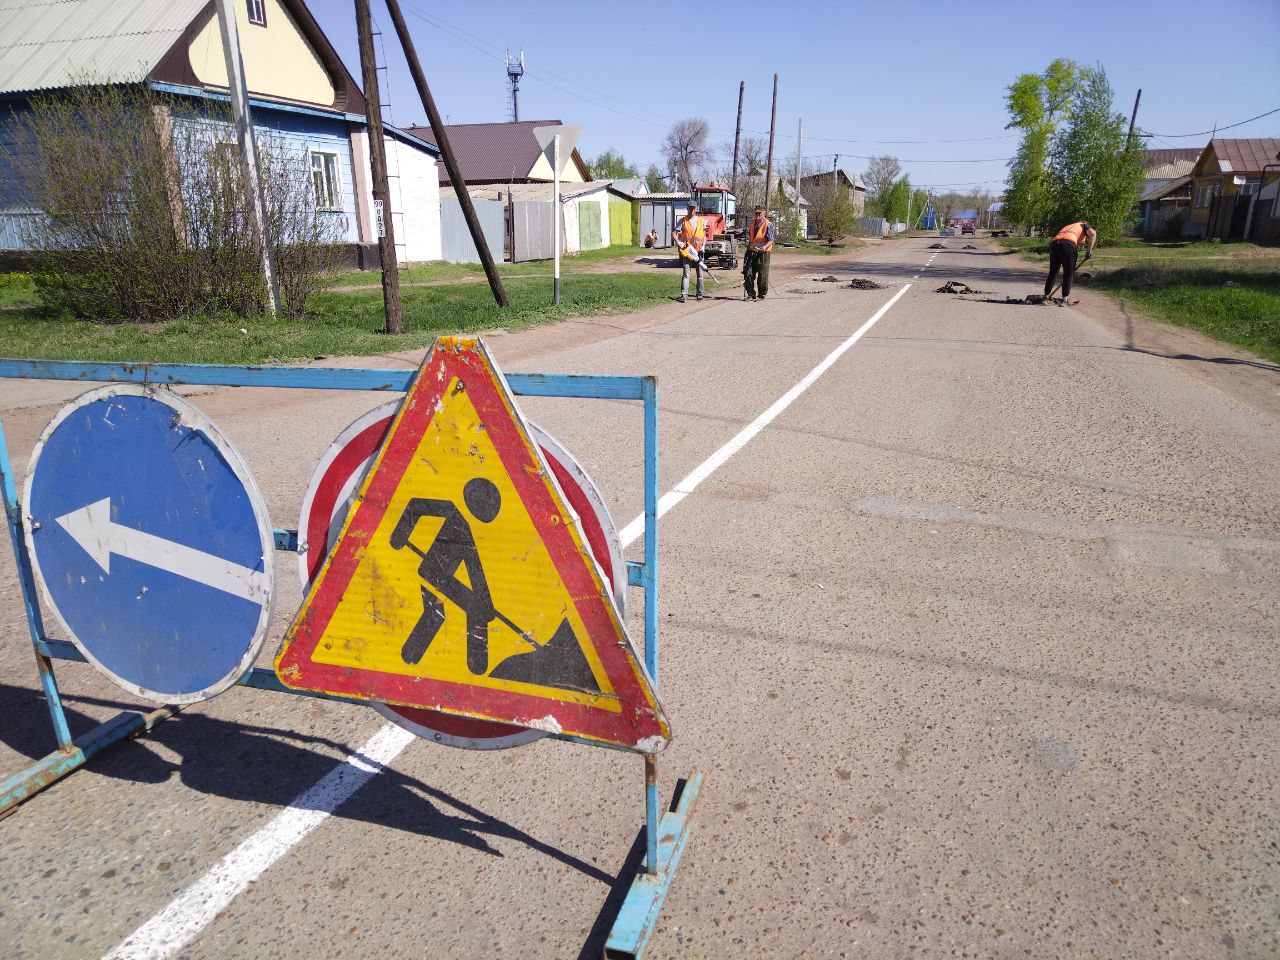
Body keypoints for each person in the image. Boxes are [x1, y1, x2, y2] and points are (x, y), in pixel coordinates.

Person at [1044, 220, 1096, 299]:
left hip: (1055, 245)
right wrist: (1089, 251)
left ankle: (1045, 296)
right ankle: (1064, 299)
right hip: (1068, 245)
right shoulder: (1084, 225)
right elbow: (1093, 234)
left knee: (1053, 272)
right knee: (1068, 273)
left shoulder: (1069, 226)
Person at [671, 201, 706, 302]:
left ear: (696, 209)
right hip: (687, 251)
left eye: (694, 208)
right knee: (686, 273)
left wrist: (703, 246)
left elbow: (704, 235)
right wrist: (679, 242)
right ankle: (684, 295)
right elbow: (674, 233)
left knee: (700, 274)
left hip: (699, 251)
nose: (692, 210)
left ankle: (700, 294)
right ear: (688, 208)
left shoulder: (701, 220)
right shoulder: (682, 221)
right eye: (690, 208)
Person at [743, 207, 775, 301]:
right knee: (748, 272)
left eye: (759, 213)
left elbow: (770, 240)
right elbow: (751, 239)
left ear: (764, 213)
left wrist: (764, 248)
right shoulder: (753, 224)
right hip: (752, 251)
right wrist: (748, 249)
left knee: (762, 274)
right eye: (756, 213)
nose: (757, 215)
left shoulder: (768, 224)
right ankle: (751, 294)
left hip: (764, 253)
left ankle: (761, 295)